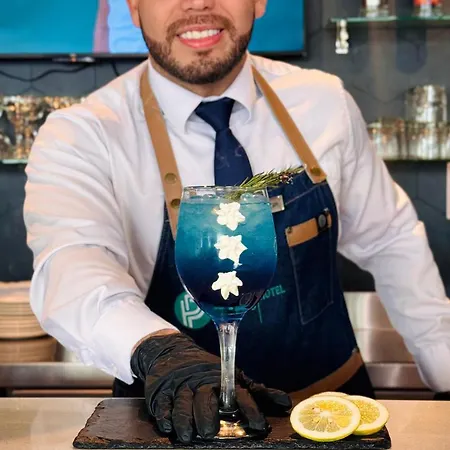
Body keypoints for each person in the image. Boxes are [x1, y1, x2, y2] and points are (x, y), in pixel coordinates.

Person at [24, 0, 450, 444]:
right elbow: (72, 265)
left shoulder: (323, 102)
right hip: (174, 428)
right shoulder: (82, 134)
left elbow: (390, 238)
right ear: (133, 7)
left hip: (328, 417)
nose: (197, 4)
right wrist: (156, 348)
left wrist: (444, 369)